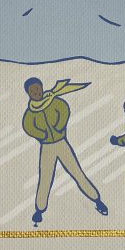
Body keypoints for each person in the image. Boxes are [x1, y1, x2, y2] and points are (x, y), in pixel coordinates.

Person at [22, 77, 108, 226]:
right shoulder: (31, 111)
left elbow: (64, 111)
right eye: (32, 91)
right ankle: (40, 209)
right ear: (28, 94)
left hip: (61, 143)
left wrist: (59, 127)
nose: (36, 92)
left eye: (37, 88)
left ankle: (96, 199)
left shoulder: (53, 101)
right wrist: (43, 135)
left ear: (42, 87)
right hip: (47, 147)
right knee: (45, 177)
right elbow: (29, 127)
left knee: (76, 172)